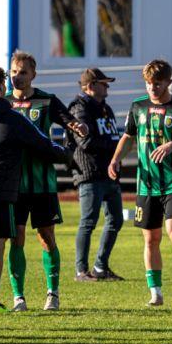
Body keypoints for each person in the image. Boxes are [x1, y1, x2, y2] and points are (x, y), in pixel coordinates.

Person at [0, 66, 69, 313]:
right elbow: (43, 145)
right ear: (1, 88)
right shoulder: (13, 119)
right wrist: (67, 154)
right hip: (0, 192)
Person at [108, 60, 172, 307]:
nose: (152, 88)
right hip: (146, 184)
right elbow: (128, 136)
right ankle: (156, 292)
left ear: (169, 81)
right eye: (149, 83)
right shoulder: (138, 107)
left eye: (157, 83)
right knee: (150, 239)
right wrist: (116, 159)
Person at [6, 51, 87, 311]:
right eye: (14, 72)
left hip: (42, 183)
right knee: (16, 237)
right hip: (13, 183)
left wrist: (78, 127)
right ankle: (18, 296)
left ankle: (53, 293)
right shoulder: (3, 103)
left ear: (33, 75)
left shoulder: (47, 101)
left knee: (46, 237)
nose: (17, 77)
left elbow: (69, 121)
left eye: (23, 73)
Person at [69, 68, 125, 283]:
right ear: (91, 86)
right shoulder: (79, 108)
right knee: (88, 221)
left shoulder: (105, 108)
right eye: (103, 83)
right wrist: (115, 146)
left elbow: (110, 136)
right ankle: (81, 270)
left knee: (116, 220)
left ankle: (101, 266)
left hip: (109, 173)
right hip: (90, 173)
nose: (107, 87)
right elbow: (86, 142)